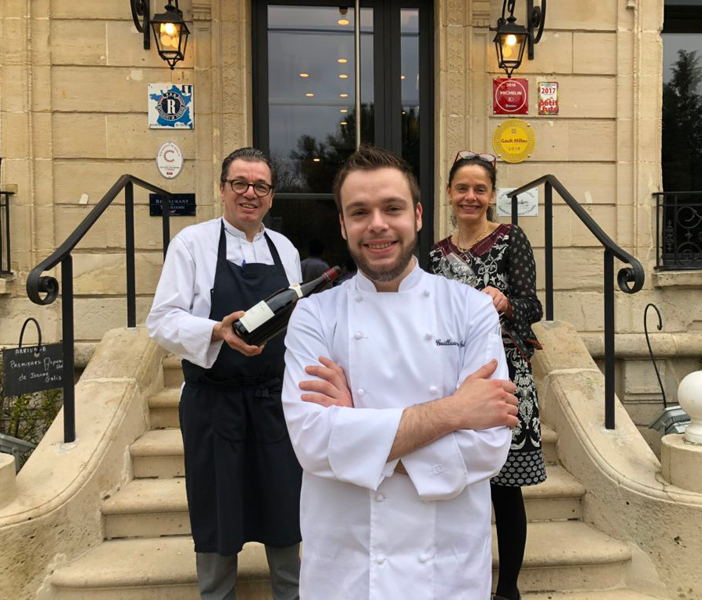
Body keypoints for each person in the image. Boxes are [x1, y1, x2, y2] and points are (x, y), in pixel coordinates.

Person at [281, 145, 519, 600]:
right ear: (343, 224)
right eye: (359, 211)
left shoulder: (471, 310)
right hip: (346, 569)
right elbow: (312, 442)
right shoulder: (313, 316)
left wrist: (358, 434)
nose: (377, 224)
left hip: (445, 571)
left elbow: (489, 446)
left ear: (418, 215)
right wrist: (454, 411)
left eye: (392, 208)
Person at [146, 147, 302, 600]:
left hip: (273, 402)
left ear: (271, 197)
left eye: (261, 186)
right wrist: (215, 330)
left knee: (283, 503)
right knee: (217, 508)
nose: (250, 194)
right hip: (213, 403)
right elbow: (161, 321)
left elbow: (299, 324)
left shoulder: (285, 249)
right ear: (222, 189)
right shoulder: (191, 244)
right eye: (240, 183)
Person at [430, 150, 546, 600]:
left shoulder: (511, 239)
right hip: (454, 381)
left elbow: (533, 307)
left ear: (492, 195)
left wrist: (507, 301)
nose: (470, 197)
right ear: (449, 193)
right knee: (459, 486)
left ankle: (508, 589)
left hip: (506, 378)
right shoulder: (436, 255)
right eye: (462, 188)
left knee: (505, 487)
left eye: (480, 189)